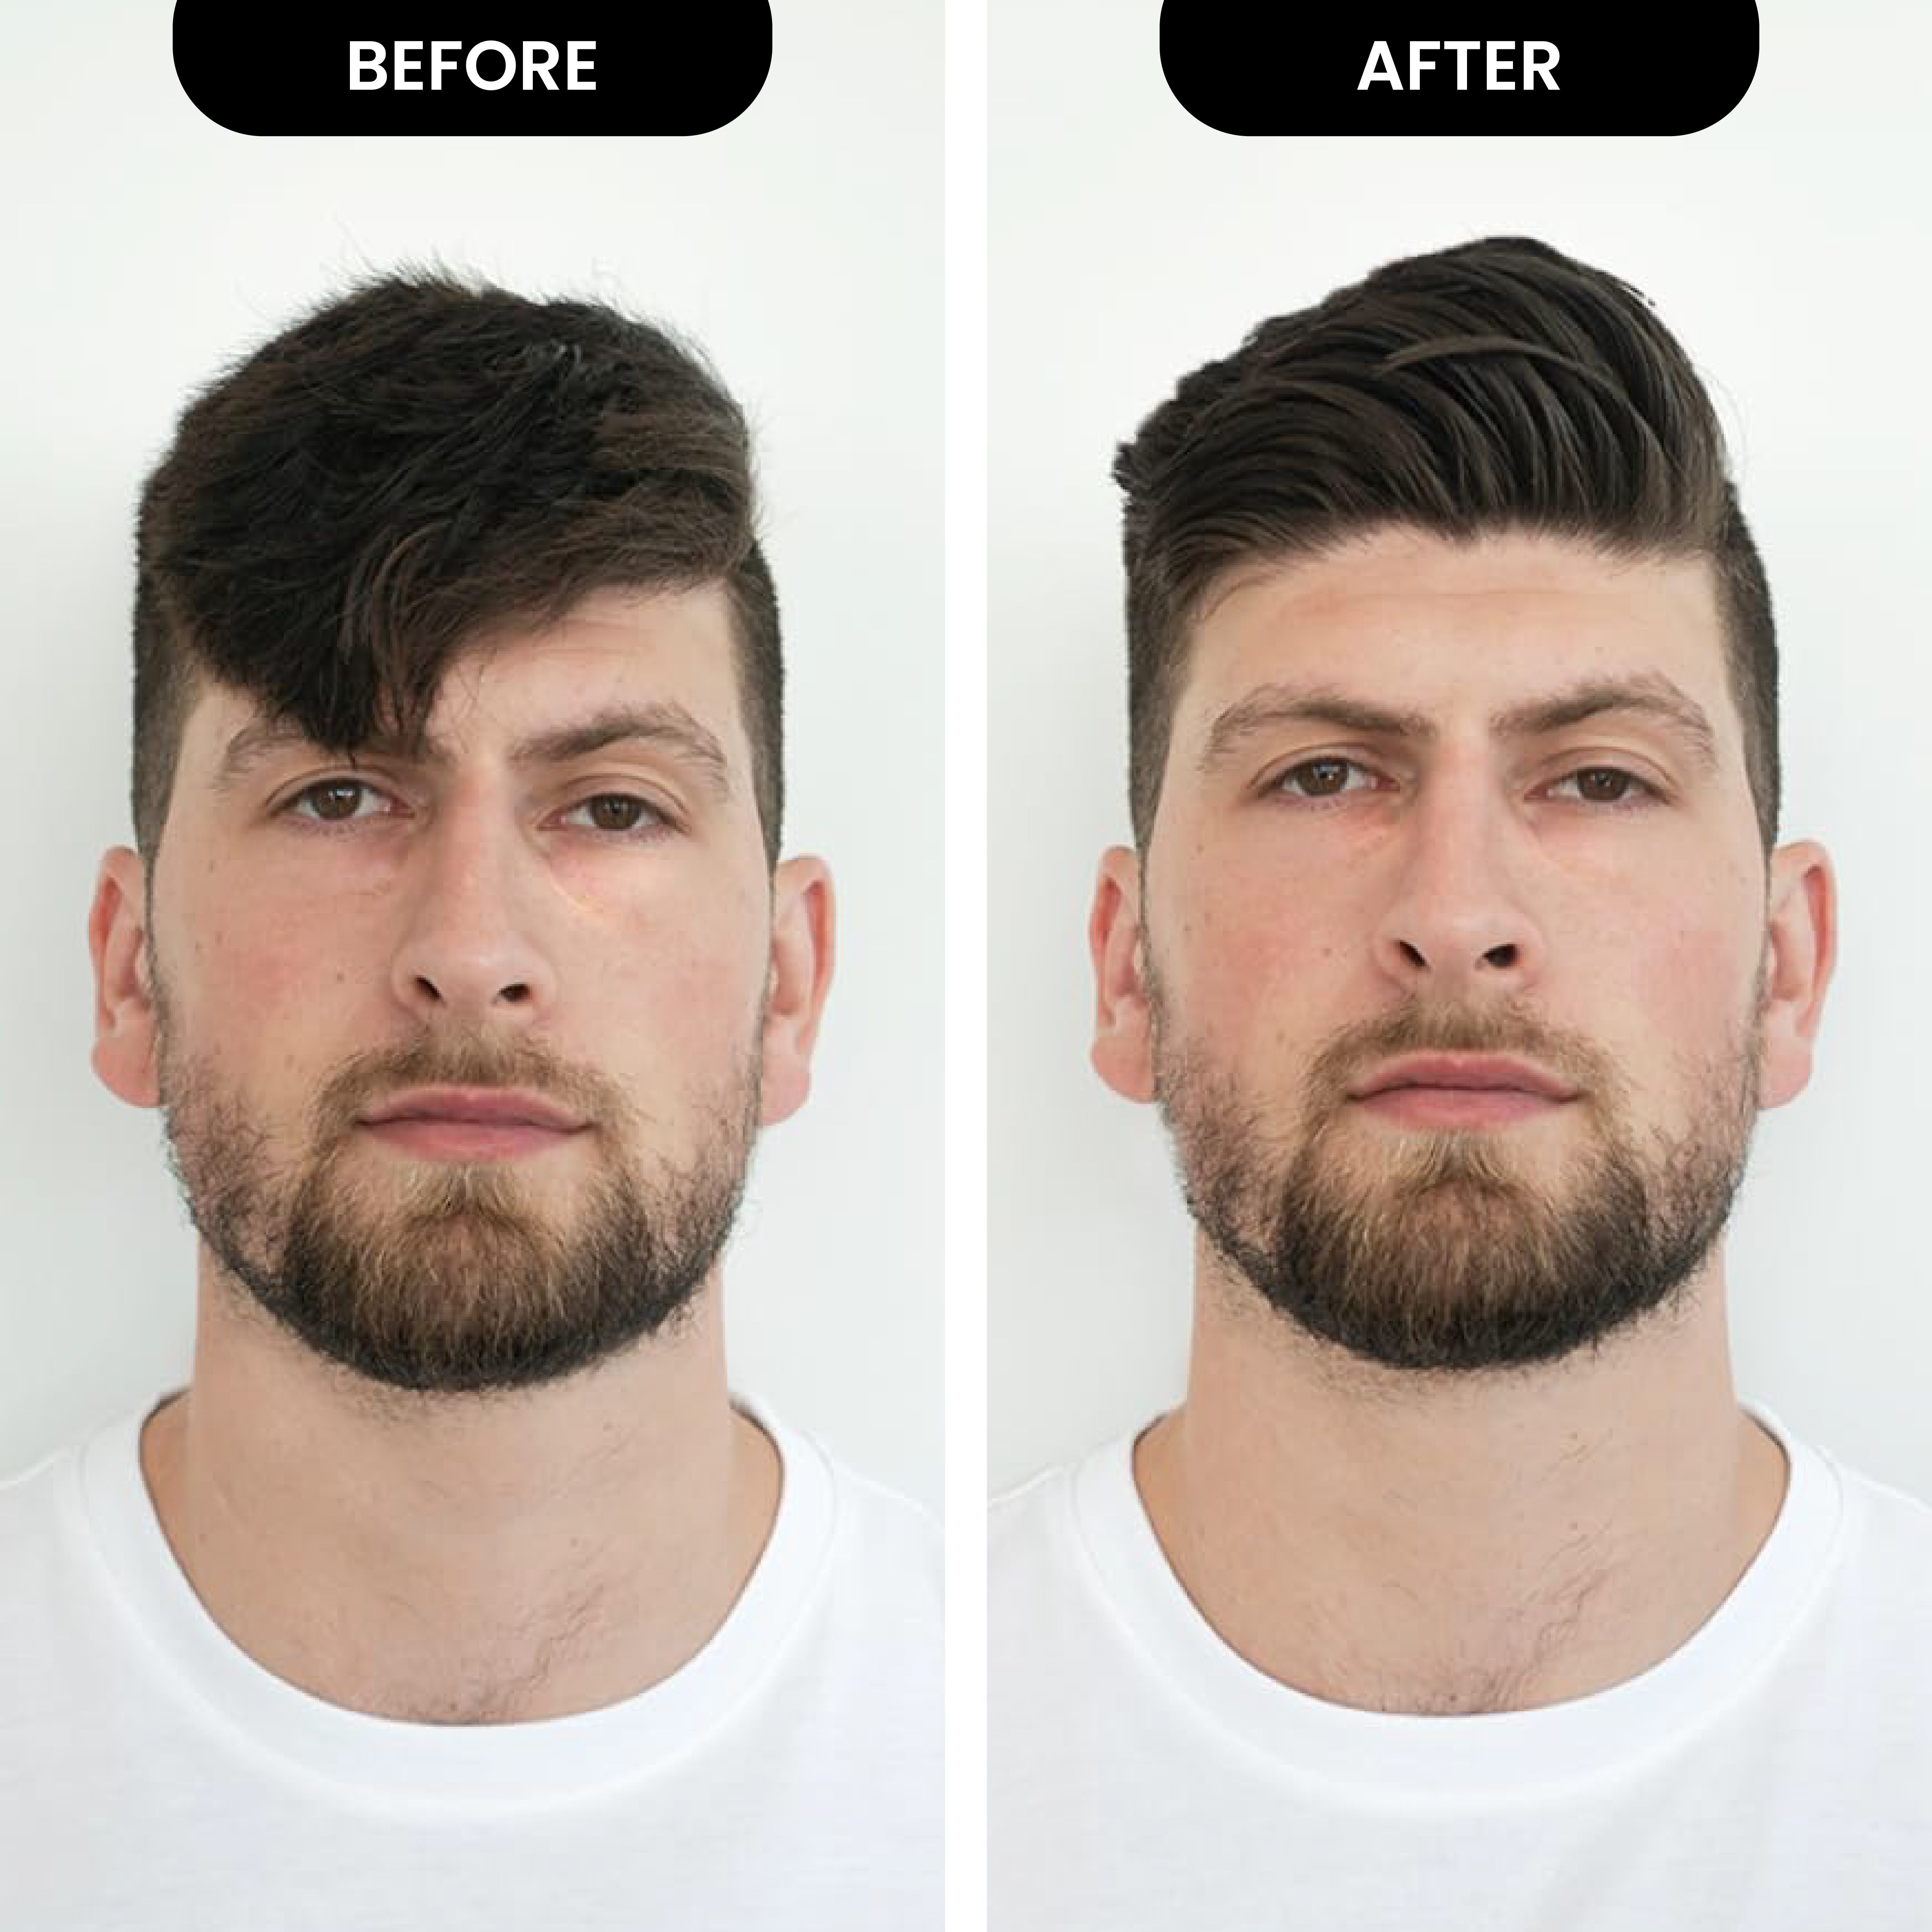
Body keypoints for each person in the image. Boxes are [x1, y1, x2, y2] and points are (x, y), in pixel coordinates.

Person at [990, 237, 1932, 1928]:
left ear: (1788, 968)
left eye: (1598, 777)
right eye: (1328, 771)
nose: (1457, 916)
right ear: (1128, 964)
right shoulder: (921, 1759)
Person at [0, 274, 938, 1929]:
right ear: (129, 971)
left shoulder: (991, 1760)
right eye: (340, 792)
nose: (471, 949)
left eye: (613, 807)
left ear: (787, 984)